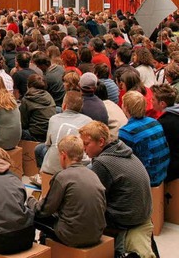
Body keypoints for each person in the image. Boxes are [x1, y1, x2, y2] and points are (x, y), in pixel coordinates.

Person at [79, 121, 156, 258]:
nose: (84, 149)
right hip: (143, 212)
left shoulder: (102, 163)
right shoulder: (121, 150)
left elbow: (92, 197)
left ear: (101, 142)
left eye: (86, 144)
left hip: (126, 219)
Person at [27, 135, 106, 247]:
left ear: (63, 156)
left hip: (71, 236)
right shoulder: (93, 174)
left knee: (30, 214)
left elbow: (43, 211)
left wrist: (30, 200)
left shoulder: (62, 177)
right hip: (96, 234)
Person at [33, 91, 92, 183]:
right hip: (78, 164)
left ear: (64, 106)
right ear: (81, 107)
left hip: (52, 167)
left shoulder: (53, 119)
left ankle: (42, 178)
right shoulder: (89, 121)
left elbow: (48, 144)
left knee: (40, 149)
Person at [119, 90, 169, 187]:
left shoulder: (126, 132)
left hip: (147, 180)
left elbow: (122, 163)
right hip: (162, 173)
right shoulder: (155, 122)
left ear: (126, 108)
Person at [152, 84, 179, 182]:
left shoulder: (163, 123)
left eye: (153, 100)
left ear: (162, 103)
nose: (151, 103)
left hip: (172, 170)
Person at [19, 74, 56, 142]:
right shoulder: (48, 96)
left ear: (28, 86)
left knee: (15, 129)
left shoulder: (27, 99)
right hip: (49, 133)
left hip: (35, 135)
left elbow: (23, 123)